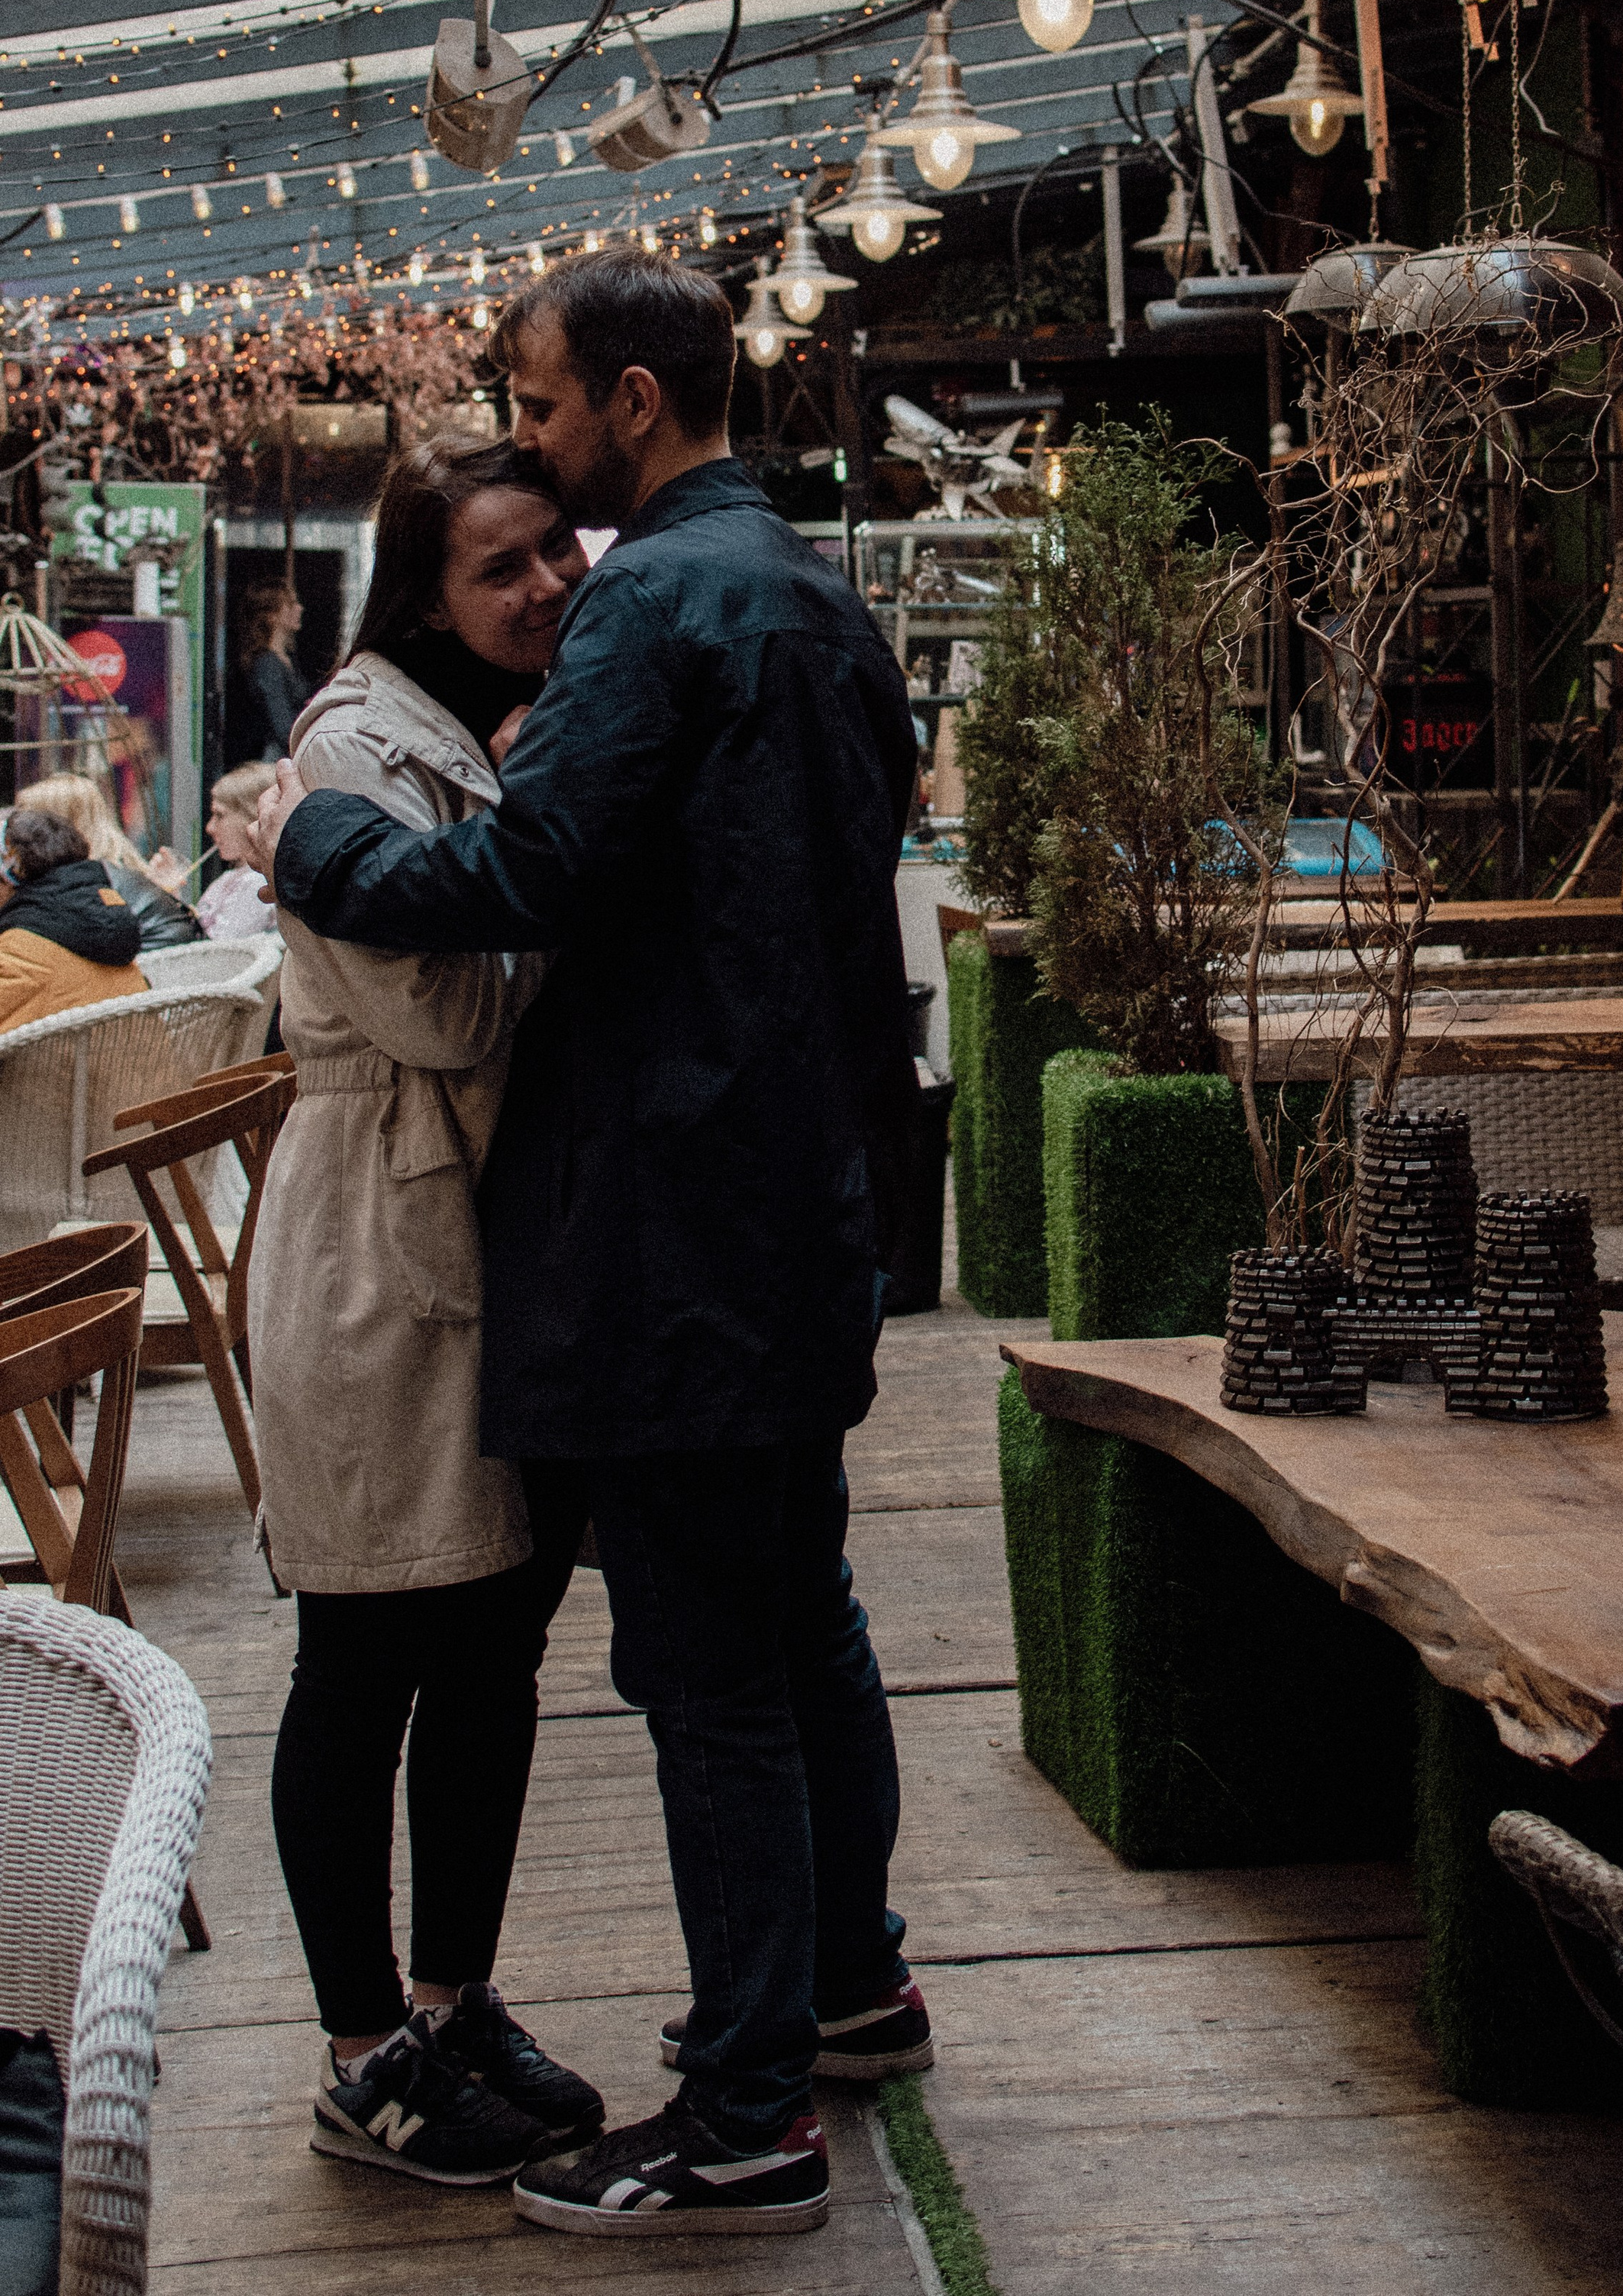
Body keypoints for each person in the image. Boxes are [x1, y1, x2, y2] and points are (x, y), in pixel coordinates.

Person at [250, 252, 925, 2243]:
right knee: (801, 1621)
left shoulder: (657, 595)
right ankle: (844, 1987)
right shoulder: (814, 585)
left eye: (543, 406)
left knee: (711, 1669)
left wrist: (313, 848)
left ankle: (739, 2123)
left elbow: (525, 874)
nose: (532, 438)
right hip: (799, 1197)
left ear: (630, 399)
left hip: (676, 1213)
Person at [249, 431, 606, 2189]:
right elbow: (453, 1018)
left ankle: (452, 2003)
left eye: (555, 550)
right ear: (426, 590)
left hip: (470, 1238)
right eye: (499, 565)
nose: (542, 586)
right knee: (365, 1647)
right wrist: (568, 878)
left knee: (487, 1650)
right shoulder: (357, 742)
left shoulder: (464, 731)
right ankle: (356, 2046)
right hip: (372, 1255)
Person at [11, 773, 201, 949]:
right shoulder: (119, 868)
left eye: (24, 821)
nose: (14, 834)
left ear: (52, 827)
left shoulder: (87, 880)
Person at [0, 808, 147, 1034]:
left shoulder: (22, 949)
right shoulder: (102, 918)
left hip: (64, 1069)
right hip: (143, 1067)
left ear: (9, 878)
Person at [195, 764, 281, 939]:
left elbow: (219, 954)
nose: (210, 828)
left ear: (253, 816)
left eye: (220, 815)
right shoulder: (230, 878)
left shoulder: (256, 883)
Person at [234, 578, 311, 758]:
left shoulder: (286, 659)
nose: (299, 608)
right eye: (291, 604)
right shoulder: (268, 666)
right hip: (274, 760)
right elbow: (283, 727)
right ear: (272, 615)